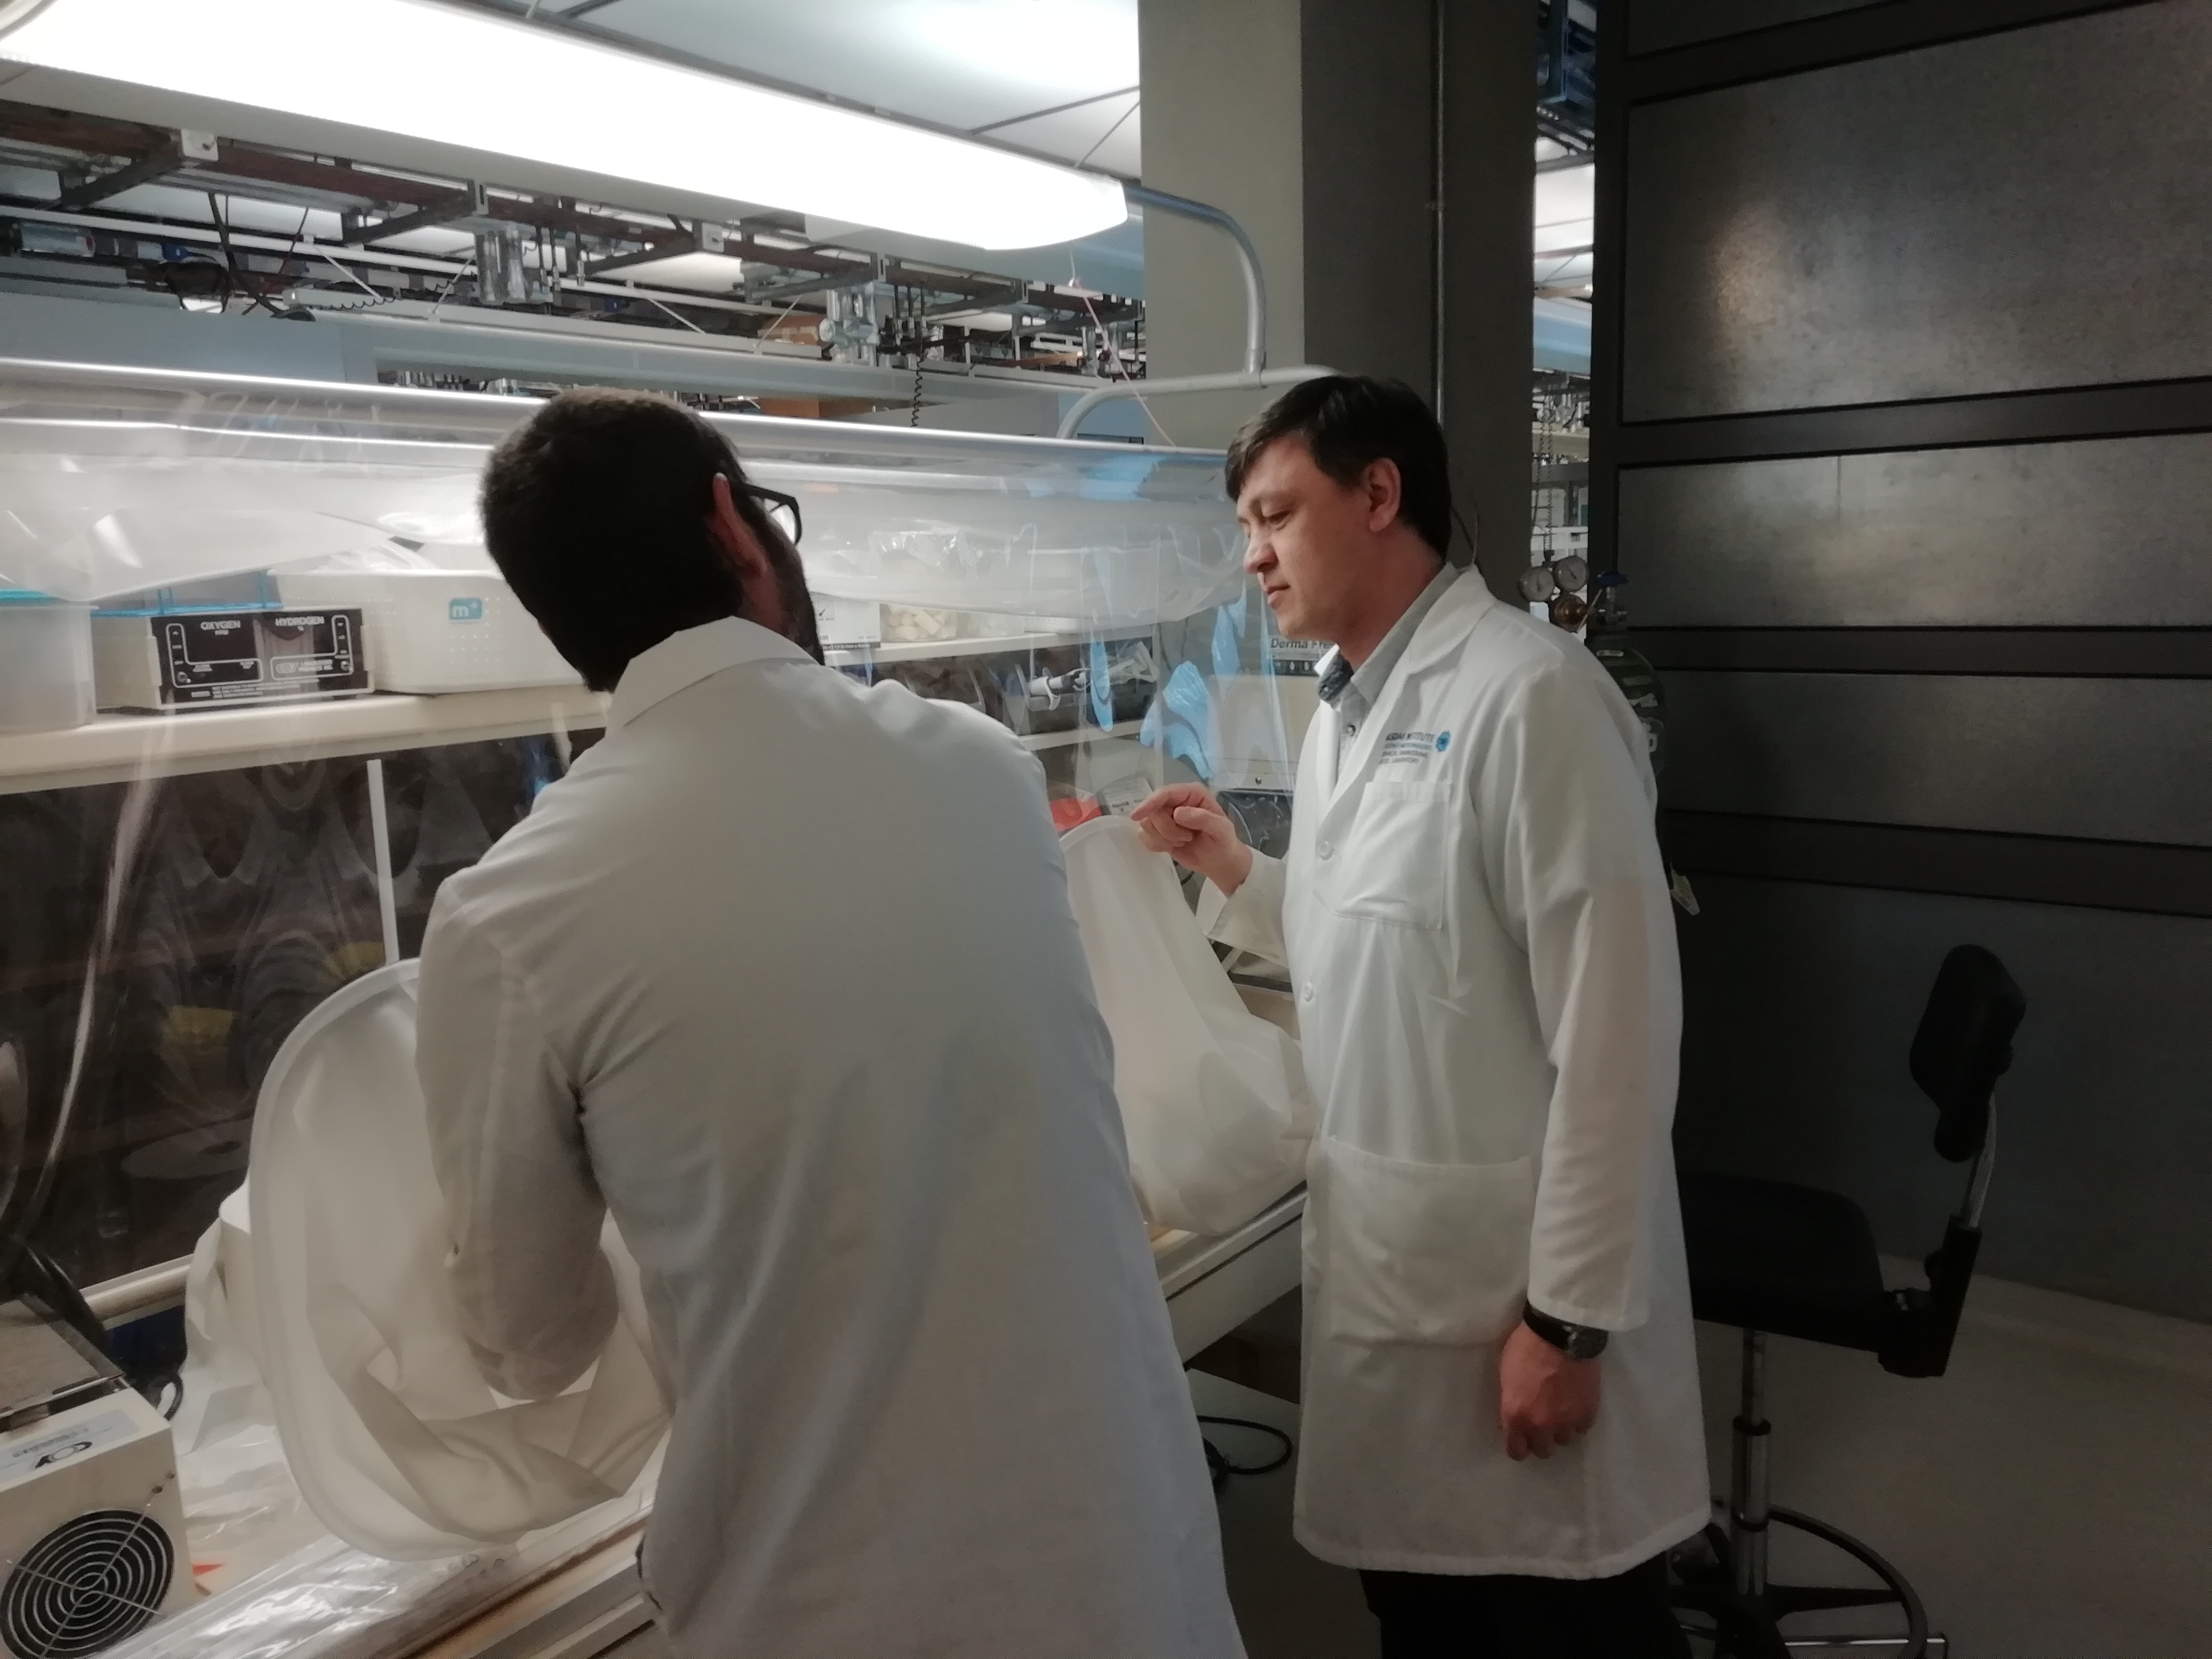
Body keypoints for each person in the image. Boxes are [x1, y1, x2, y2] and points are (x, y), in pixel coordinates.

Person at [415, 390, 1244, 1659]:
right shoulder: (981, 768)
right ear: (733, 525)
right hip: (1123, 1568)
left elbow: (528, 1348)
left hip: (825, 1604)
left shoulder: (511, 913)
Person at [1132, 376, 1705, 1657]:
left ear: (1380, 494)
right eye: (1244, 527)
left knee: (1556, 1626)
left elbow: (1616, 1040)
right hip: (1411, 1291)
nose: (1253, 555)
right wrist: (1240, 873)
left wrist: (1568, 1319)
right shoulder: (1347, 709)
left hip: (1516, 1310)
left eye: (1275, 514)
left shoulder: (1527, 696)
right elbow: (1386, 938)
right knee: (1430, 1614)